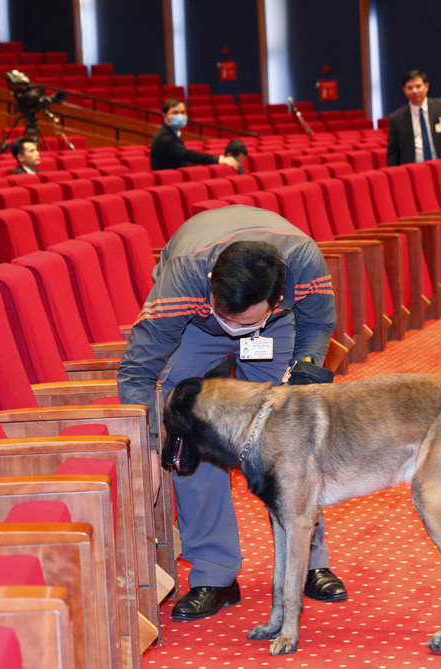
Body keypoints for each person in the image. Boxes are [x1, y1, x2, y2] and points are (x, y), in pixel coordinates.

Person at [117, 205, 347, 621]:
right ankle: (214, 573)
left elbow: (317, 326)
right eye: (229, 317)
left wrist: (301, 381)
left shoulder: (304, 263)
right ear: (211, 285)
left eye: (243, 321)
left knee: (290, 440)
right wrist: (148, 447)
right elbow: (138, 368)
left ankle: (310, 560)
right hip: (194, 327)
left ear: (279, 297)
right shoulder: (185, 280)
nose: (235, 329)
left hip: (275, 331)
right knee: (189, 430)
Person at [386, 69, 441, 166]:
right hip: (413, 168)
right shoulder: (396, 117)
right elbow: (393, 152)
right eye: (410, 88)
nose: (414, 91)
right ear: (404, 90)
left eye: (418, 86)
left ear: (426, 86)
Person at [150, 98, 243, 172]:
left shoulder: (174, 134)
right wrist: (218, 159)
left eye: (182, 112)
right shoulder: (164, 138)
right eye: (175, 113)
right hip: (167, 182)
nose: (180, 116)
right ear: (165, 117)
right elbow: (187, 155)